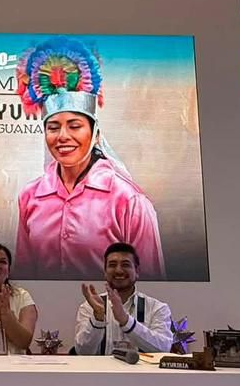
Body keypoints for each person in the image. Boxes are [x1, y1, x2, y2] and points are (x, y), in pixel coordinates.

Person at [14, 37, 165, 280]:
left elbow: (152, 283)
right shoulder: (30, 197)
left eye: (75, 126)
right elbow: (24, 279)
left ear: (96, 135)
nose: (63, 136)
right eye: (53, 127)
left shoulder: (128, 201)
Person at [74, 242, 175, 356]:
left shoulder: (157, 308)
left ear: (137, 271)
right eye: (112, 265)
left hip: (142, 368)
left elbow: (163, 349)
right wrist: (98, 317)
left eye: (125, 265)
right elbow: (82, 352)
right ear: (105, 272)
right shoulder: (89, 307)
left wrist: (126, 321)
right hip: (101, 368)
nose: (119, 270)